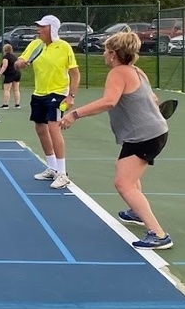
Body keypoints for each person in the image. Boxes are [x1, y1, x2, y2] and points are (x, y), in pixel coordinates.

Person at [59, 29, 172, 250]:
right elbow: (153, 98)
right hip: (150, 132)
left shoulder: (118, 73)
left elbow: (109, 101)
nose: (103, 55)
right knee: (124, 169)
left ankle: (158, 234)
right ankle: (136, 212)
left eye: (105, 51)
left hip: (145, 135)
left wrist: (74, 114)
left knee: (123, 183)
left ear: (113, 54)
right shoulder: (137, 71)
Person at [15, 14, 80, 189]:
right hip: (39, 93)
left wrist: (71, 96)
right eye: (38, 26)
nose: (38, 29)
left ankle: (62, 173)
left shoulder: (64, 47)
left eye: (42, 27)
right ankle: (52, 168)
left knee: (53, 127)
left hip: (58, 93)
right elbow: (20, 61)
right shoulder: (35, 44)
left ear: (52, 29)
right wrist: (20, 64)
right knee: (40, 128)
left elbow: (75, 73)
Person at [0, 42, 21, 109]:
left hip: (10, 74)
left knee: (7, 89)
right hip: (17, 73)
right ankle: (17, 104)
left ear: (4, 50)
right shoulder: (14, 56)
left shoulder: (6, 57)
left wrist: (0, 74)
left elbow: (5, 66)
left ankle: (5, 105)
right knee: (16, 89)